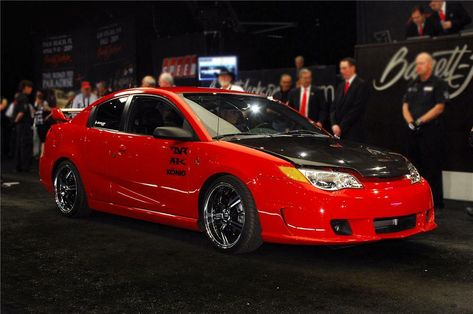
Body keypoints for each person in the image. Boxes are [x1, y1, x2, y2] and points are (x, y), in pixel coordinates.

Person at [402, 52, 448, 212]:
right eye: (416, 63)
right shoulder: (413, 83)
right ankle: (417, 199)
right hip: (413, 131)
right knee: (414, 166)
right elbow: (405, 105)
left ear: (430, 65)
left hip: (431, 131)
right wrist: (410, 122)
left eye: (421, 63)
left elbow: (439, 107)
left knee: (432, 166)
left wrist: (420, 121)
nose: (417, 66)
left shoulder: (439, 83)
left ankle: (435, 201)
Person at [330, 58, 369, 142]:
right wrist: (334, 124)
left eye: (344, 68)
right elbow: (333, 107)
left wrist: (341, 127)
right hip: (338, 132)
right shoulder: (340, 86)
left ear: (352, 68)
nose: (341, 71)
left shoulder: (361, 85)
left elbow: (356, 109)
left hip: (353, 132)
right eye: (341, 68)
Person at [13, 80, 34, 172]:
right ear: (25, 88)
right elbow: (21, 113)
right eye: (30, 87)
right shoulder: (24, 98)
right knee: (25, 145)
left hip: (19, 126)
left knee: (19, 145)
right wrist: (15, 122)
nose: (31, 89)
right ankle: (25, 167)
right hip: (24, 126)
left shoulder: (18, 97)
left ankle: (18, 167)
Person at [33, 90, 52, 158]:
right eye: (37, 97)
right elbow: (34, 113)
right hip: (37, 124)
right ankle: (38, 154)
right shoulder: (36, 104)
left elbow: (51, 110)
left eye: (39, 97)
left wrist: (47, 117)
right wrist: (36, 104)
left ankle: (42, 154)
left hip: (43, 124)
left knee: (43, 140)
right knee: (38, 140)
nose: (38, 99)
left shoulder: (44, 103)